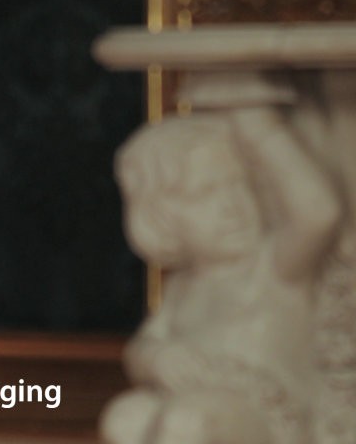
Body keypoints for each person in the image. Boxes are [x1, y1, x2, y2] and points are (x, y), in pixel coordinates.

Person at [100, 102, 339, 444]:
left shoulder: (274, 266)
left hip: (267, 414)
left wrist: (260, 127)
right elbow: (143, 346)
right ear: (162, 217)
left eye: (238, 185)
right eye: (205, 194)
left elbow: (319, 214)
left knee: (188, 422)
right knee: (126, 418)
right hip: (198, 404)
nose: (231, 206)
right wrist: (156, 359)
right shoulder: (183, 287)